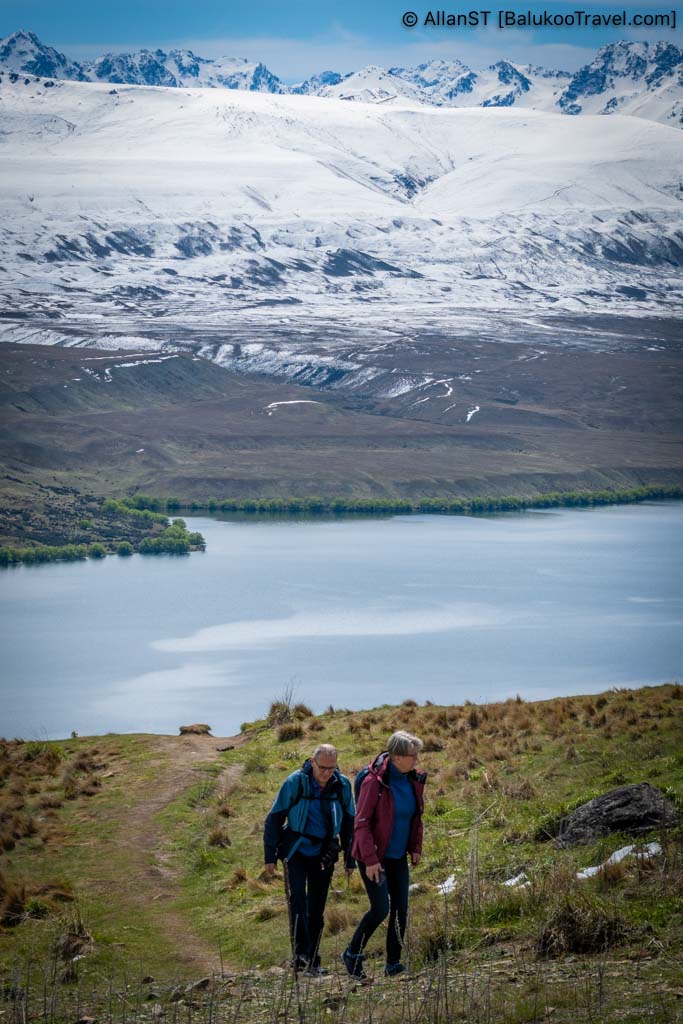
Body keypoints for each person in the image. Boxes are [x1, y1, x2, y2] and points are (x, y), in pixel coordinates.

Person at [264, 743, 355, 976]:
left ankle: (313, 959)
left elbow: (349, 823)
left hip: (325, 852)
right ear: (312, 762)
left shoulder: (342, 785)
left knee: (316, 908)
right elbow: (274, 818)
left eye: (331, 768)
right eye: (323, 767)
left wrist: (349, 858)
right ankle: (300, 958)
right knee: (298, 902)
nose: (327, 773)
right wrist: (270, 856)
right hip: (296, 849)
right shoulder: (295, 782)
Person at [342, 730, 426, 979]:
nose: (416, 760)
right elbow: (362, 823)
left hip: (398, 856)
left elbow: (416, 816)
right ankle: (352, 954)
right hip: (373, 857)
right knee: (380, 908)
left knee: (401, 909)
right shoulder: (373, 782)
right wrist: (370, 861)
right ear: (398, 757)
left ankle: (393, 964)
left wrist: (416, 847)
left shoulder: (413, 780)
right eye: (413, 756)